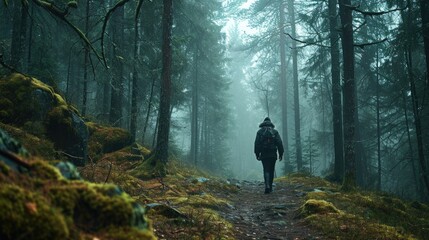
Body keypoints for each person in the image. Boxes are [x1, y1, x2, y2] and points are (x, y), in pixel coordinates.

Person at [254, 117, 284, 194]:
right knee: (271, 170)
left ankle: (267, 186)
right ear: (270, 123)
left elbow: (257, 144)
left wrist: (257, 154)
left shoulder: (260, 132)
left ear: (263, 123)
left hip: (264, 154)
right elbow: (279, 143)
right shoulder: (275, 132)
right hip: (273, 154)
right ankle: (270, 187)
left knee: (266, 169)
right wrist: (281, 154)